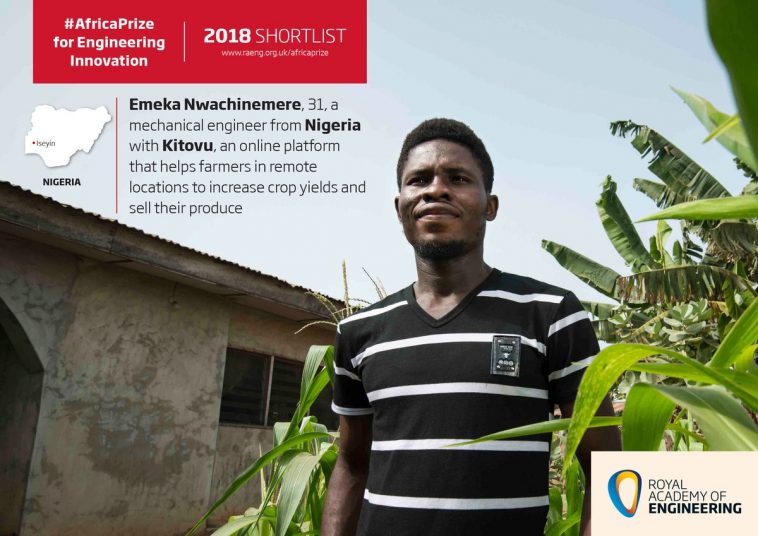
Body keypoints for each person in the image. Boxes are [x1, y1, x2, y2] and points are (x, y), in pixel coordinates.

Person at [321, 118, 620, 536]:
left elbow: (609, 470)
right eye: (419, 180)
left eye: (458, 178)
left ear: (490, 206)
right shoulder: (359, 331)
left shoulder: (550, 314)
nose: (435, 190)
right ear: (400, 206)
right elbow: (352, 464)